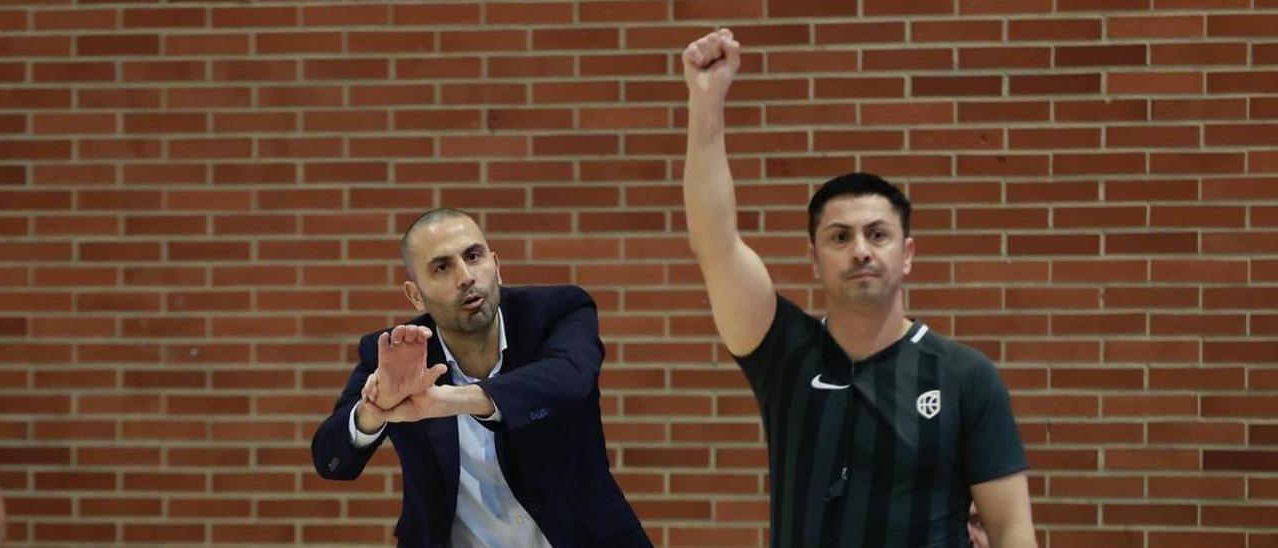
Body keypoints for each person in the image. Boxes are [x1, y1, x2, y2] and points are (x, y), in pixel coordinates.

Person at [680, 29, 1038, 547]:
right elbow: (715, 242)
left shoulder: (966, 377)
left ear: (907, 254)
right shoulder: (784, 352)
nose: (861, 251)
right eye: (840, 237)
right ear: (813, 259)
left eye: (877, 234)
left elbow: (1011, 530)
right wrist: (706, 101)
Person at [311, 208, 650, 548]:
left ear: (496, 265)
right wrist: (376, 408)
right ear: (415, 295)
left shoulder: (558, 310)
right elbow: (331, 460)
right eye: (442, 267)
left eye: (473, 256)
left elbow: (569, 379)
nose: (466, 277)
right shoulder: (397, 352)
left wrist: (447, 401)